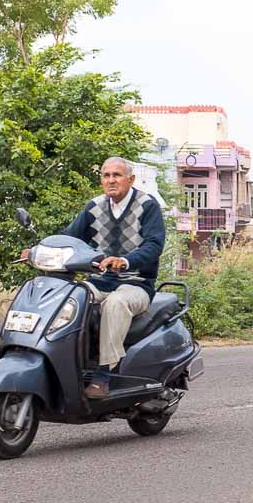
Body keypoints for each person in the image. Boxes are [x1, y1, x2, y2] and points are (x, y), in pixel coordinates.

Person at [51, 157, 166, 398]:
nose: (111, 180)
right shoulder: (93, 207)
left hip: (137, 284)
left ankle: (103, 375)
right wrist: (39, 248)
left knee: (115, 303)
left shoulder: (147, 205)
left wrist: (125, 261)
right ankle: (66, 363)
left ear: (131, 179)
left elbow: (154, 245)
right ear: (101, 179)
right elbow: (70, 237)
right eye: (106, 175)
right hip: (99, 282)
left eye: (117, 175)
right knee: (68, 297)